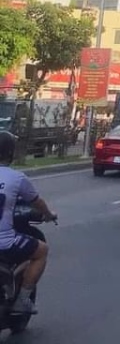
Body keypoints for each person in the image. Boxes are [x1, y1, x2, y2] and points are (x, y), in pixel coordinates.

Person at [0, 131, 56, 316]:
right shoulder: (17, 178)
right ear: (11, 153)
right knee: (42, 251)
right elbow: (37, 202)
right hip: (5, 243)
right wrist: (49, 215)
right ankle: (23, 300)